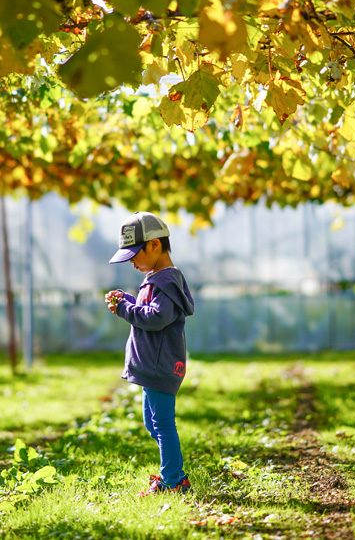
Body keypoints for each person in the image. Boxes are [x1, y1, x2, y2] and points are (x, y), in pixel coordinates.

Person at [105, 211, 195, 496]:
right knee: (152, 423)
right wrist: (129, 300)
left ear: (155, 245)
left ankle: (173, 480)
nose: (132, 261)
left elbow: (156, 317)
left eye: (135, 254)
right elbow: (148, 310)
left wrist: (124, 309)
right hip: (152, 368)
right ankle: (172, 473)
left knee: (163, 424)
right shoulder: (157, 279)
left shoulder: (166, 281)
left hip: (161, 367)